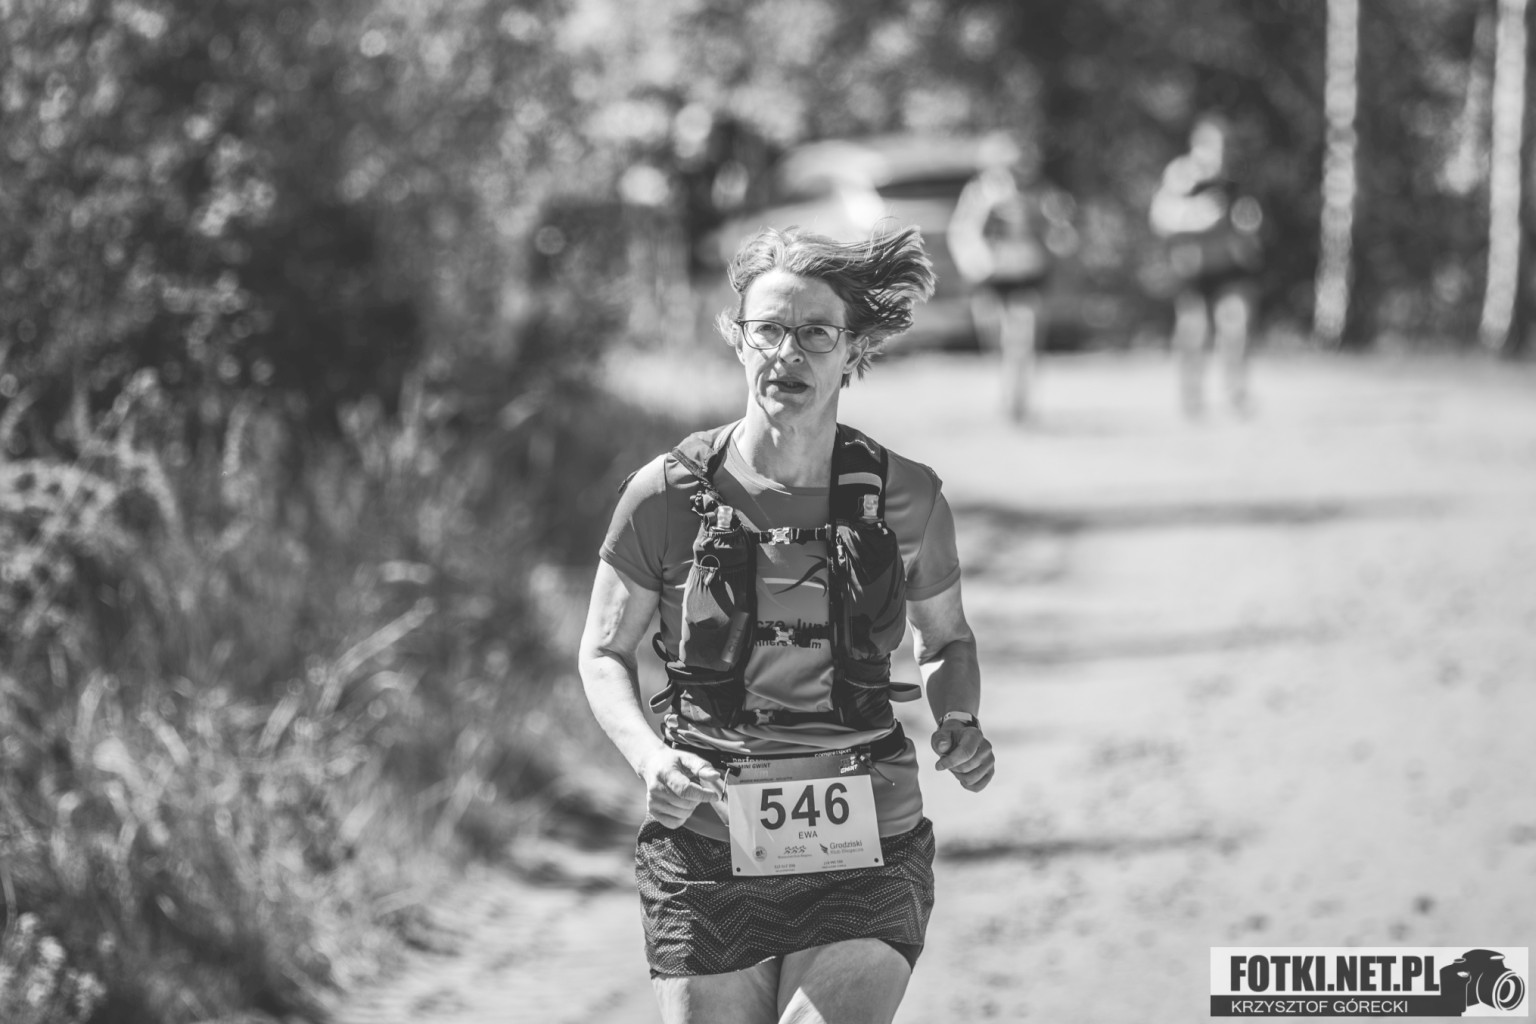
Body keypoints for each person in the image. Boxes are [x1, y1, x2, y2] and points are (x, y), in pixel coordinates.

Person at [577, 225, 995, 1024]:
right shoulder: (664, 495)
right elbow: (602, 651)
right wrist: (649, 757)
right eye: (767, 330)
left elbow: (946, 640)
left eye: (815, 334)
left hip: (868, 837)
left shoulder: (907, 497)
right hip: (708, 843)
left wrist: (960, 717)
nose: (787, 354)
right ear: (738, 339)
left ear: (853, 348)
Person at [946, 132, 1072, 424]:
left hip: (1028, 274)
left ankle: (1022, 403)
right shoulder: (980, 193)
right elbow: (963, 233)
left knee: (1024, 338)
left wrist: (1058, 239)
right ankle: (1006, 397)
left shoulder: (1041, 193)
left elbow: (1058, 232)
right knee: (999, 341)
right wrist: (976, 264)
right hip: (993, 277)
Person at [1148, 113, 1264, 417]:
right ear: (1195, 146)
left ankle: (1236, 394)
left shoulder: (1236, 178)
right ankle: (1192, 398)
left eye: (1223, 147)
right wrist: (1195, 217)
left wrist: (1248, 228)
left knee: (1236, 328)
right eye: (1212, 146)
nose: (1218, 154)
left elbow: (1250, 219)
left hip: (1229, 268)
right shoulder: (1180, 176)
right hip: (1193, 272)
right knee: (1193, 335)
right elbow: (1159, 217)